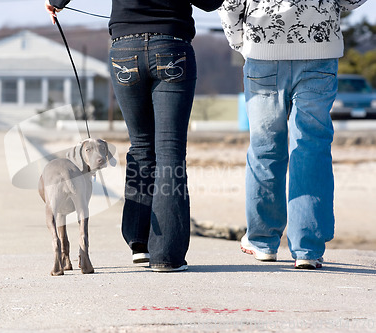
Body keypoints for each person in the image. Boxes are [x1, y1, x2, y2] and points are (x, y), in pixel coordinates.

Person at [45, 0, 223, 272]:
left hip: (125, 49)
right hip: (171, 45)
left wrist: (56, 1)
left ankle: (139, 244)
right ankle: (167, 255)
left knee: (141, 146)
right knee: (170, 152)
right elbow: (211, 3)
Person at [218, 0, 367, 269]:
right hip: (319, 48)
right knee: (311, 147)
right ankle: (307, 248)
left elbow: (230, 3)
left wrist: (241, 43)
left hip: (263, 49)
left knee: (264, 147)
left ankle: (262, 241)